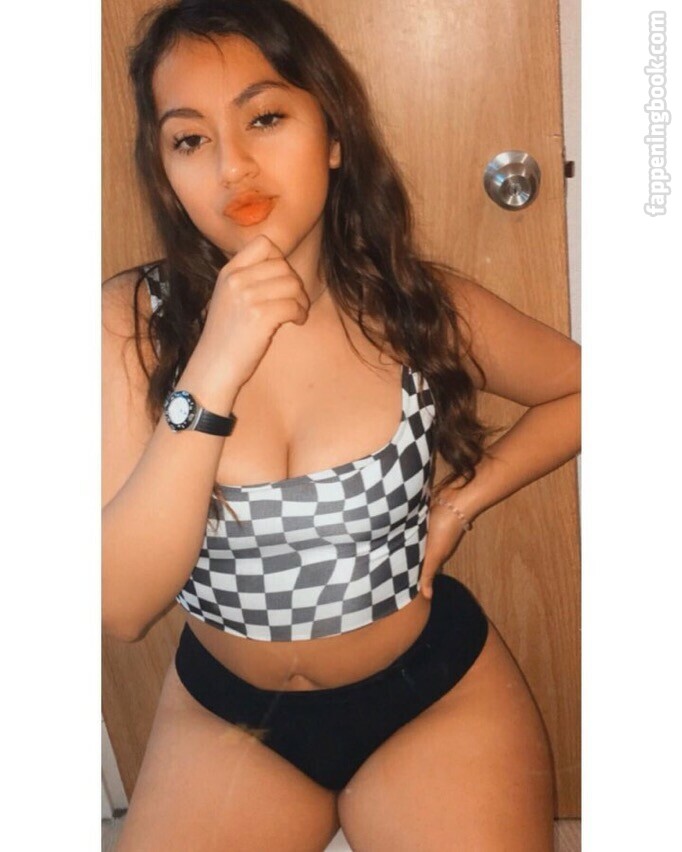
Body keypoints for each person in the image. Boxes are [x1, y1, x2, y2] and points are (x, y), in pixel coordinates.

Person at [102, 0, 580, 849]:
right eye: (190, 138)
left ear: (332, 135)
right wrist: (214, 365)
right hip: (228, 716)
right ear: (165, 170)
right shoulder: (127, 324)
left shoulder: (415, 308)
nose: (233, 165)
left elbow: (593, 389)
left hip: (430, 696)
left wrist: (461, 503)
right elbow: (120, 609)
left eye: (265, 118)